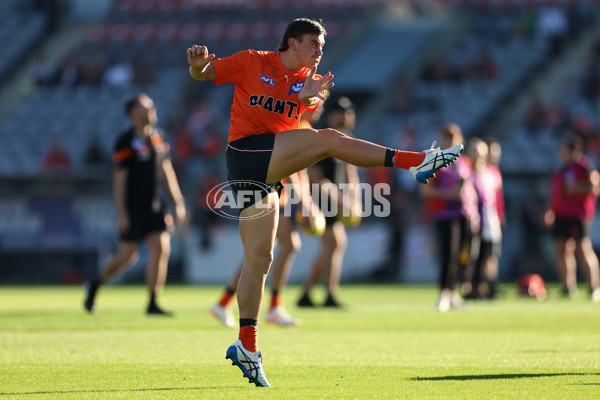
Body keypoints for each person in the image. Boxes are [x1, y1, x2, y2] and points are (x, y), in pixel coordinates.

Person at [187, 18, 463, 387]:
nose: (320, 51)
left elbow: (301, 118)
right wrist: (196, 64)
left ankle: (247, 345)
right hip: (245, 153)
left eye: (322, 45)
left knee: (260, 259)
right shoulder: (254, 60)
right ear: (291, 43)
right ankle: (417, 162)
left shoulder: (309, 81)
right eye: (313, 44)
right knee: (331, 138)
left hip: (267, 170)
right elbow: (205, 74)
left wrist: (306, 99)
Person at [210, 107, 327, 328]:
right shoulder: (292, 125)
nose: (320, 106)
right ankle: (273, 307)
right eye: (319, 101)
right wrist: (305, 203)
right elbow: (291, 170)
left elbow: (302, 173)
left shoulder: (305, 127)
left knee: (258, 253)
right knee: (284, 246)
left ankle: (224, 303)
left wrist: (307, 200)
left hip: (279, 197)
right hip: (272, 196)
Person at [83, 93, 186, 315]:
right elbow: (120, 179)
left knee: (161, 247)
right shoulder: (125, 141)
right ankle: (95, 284)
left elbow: (165, 170)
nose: (152, 109)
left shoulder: (158, 138)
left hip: (155, 206)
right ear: (133, 113)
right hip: (133, 209)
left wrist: (177, 200)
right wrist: (122, 213)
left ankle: (152, 302)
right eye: (146, 107)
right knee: (127, 257)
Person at [297, 96, 361, 308]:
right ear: (333, 115)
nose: (348, 117)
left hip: (336, 202)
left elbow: (350, 172)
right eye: (344, 112)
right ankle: (327, 294)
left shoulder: (346, 138)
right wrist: (343, 200)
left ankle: (309, 293)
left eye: (350, 112)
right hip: (321, 200)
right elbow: (316, 177)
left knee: (332, 246)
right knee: (334, 244)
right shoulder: (324, 139)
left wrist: (355, 200)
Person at [420, 124, 479, 312]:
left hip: (465, 214)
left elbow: (469, 190)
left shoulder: (464, 162)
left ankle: (452, 293)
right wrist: (451, 195)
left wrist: (475, 212)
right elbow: (426, 190)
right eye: (447, 138)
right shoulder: (436, 161)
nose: (450, 141)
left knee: (462, 256)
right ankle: (444, 293)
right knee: (449, 255)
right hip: (445, 215)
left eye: (454, 137)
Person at [544, 135, 600, 301]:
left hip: (578, 215)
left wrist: (576, 188)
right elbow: (556, 193)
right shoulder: (561, 169)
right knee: (562, 249)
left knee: (582, 248)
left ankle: (594, 287)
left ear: (573, 150)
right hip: (561, 215)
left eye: (564, 149)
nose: (560, 152)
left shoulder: (584, 167)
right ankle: (568, 286)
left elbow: (594, 187)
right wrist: (550, 211)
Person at [465, 137, 504, 300]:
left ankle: (486, 286)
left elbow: (495, 199)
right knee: (471, 256)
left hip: (488, 220)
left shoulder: (490, 173)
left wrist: (500, 218)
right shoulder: (466, 172)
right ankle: (470, 287)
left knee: (488, 255)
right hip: (472, 219)